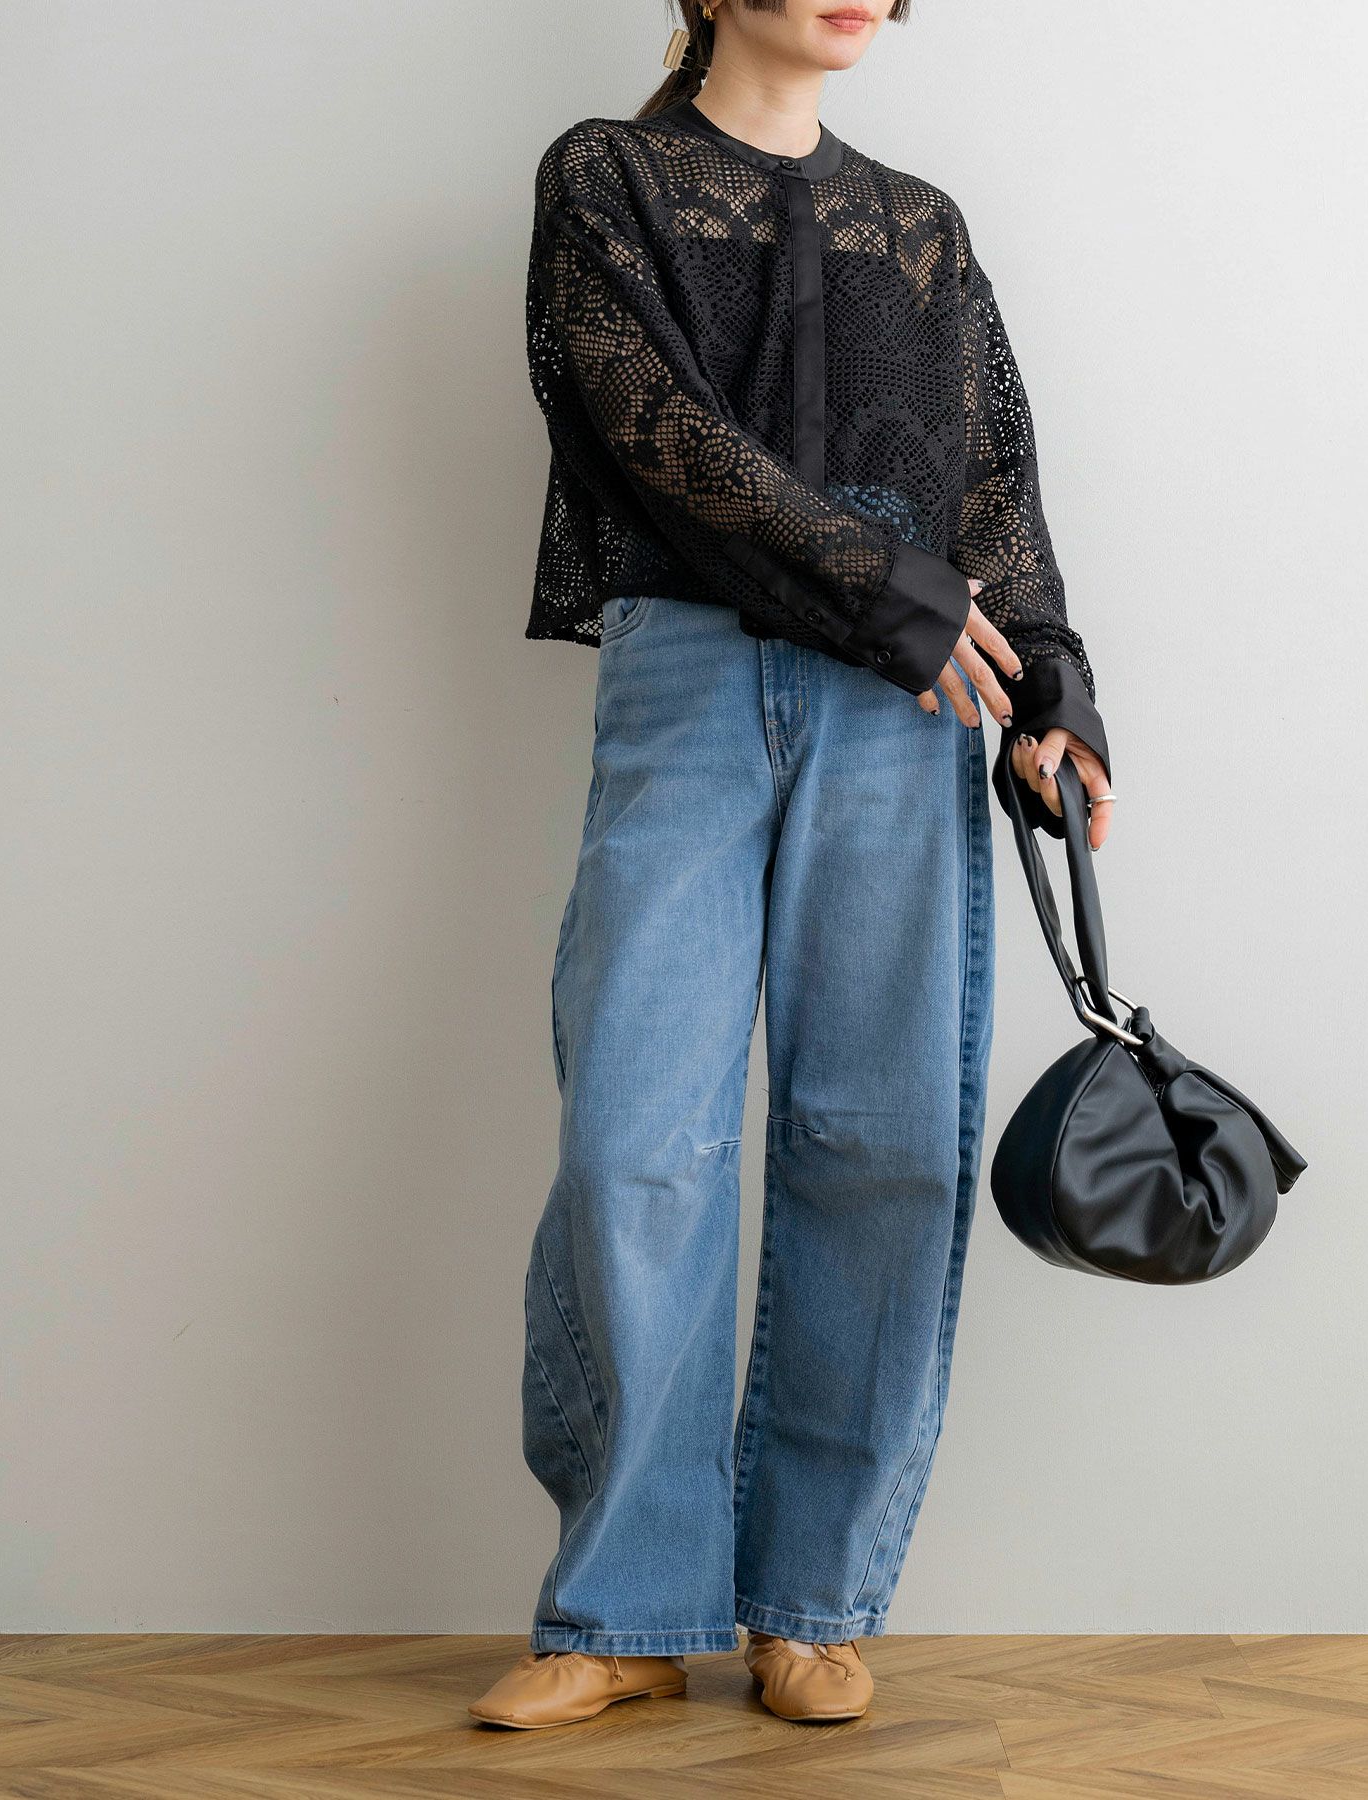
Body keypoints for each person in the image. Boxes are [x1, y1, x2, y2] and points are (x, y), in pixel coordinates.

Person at [471, 0, 1115, 1730]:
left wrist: (1051, 687)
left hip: (912, 707)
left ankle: (812, 1603)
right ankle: (623, 1611)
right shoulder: (607, 178)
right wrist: (891, 591)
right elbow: (654, 434)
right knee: (636, 1143)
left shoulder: (921, 226)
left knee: (880, 1138)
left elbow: (993, 481)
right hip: (691, 678)